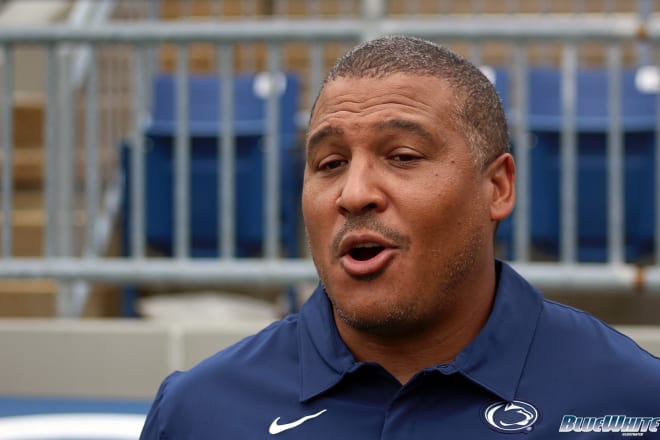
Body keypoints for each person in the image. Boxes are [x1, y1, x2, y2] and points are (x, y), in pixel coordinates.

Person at [140, 36, 660, 439]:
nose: (355, 192)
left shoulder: (632, 402)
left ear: (497, 187)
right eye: (330, 163)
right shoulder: (197, 411)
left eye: (403, 156)